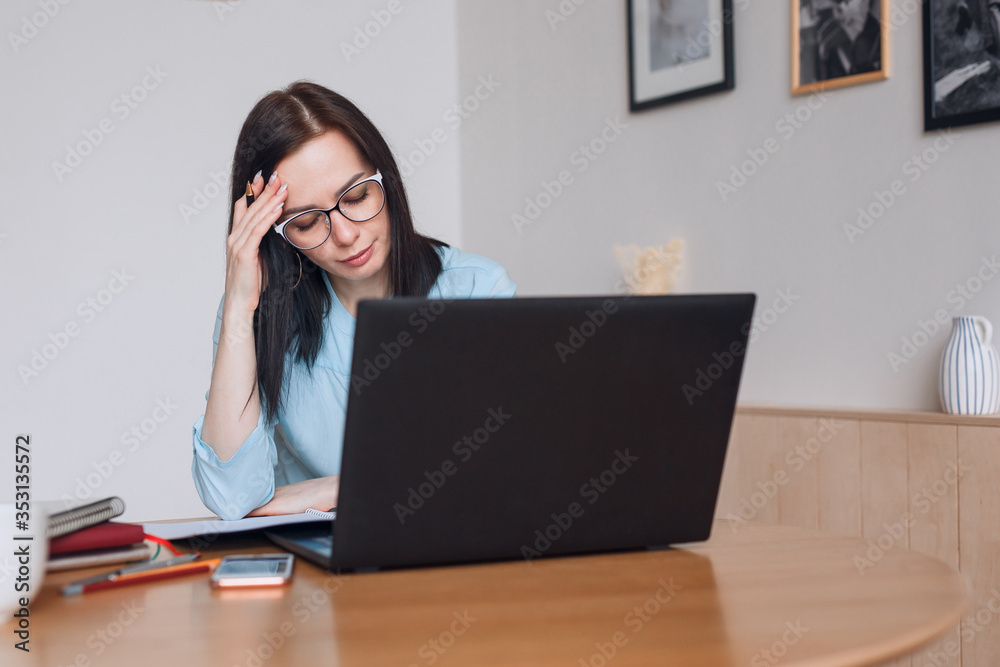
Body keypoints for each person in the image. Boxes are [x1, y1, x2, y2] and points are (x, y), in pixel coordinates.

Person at [191, 82, 516, 521]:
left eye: (358, 196)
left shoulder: (477, 289)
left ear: (387, 180)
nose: (345, 235)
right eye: (306, 222)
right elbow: (231, 498)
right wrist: (237, 308)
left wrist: (333, 489)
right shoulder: (258, 314)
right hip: (319, 556)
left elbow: (499, 472)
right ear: (276, 235)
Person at [815, 0, 881, 81]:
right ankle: (821, 74)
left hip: (853, 29)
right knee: (821, 35)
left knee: (824, 48)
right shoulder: (850, 2)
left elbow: (847, 18)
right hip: (846, 24)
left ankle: (825, 79)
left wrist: (838, 10)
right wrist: (838, 9)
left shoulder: (860, 2)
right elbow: (842, 15)